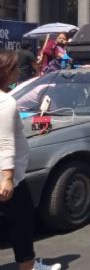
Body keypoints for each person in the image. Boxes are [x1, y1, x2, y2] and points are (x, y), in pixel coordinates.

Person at [0, 50, 63, 270]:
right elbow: (5, 141)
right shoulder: (6, 101)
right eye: (16, 68)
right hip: (10, 178)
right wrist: (7, 177)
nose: (19, 71)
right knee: (22, 224)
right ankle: (28, 266)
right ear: (7, 72)